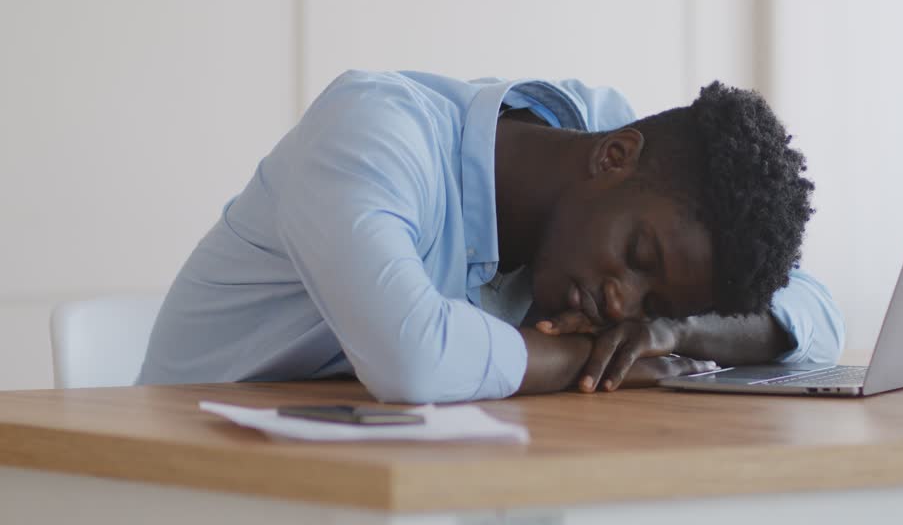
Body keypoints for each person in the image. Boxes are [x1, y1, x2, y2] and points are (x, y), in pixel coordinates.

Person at [138, 70, 845, 403]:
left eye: (652, 301)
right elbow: (414, 360)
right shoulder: (373, 136)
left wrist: (671, 333)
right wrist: (580, 358)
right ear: (612, 156)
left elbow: (817, 314)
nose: (620, 303)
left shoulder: (626, 160)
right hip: (177, 474)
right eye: (637, 258)